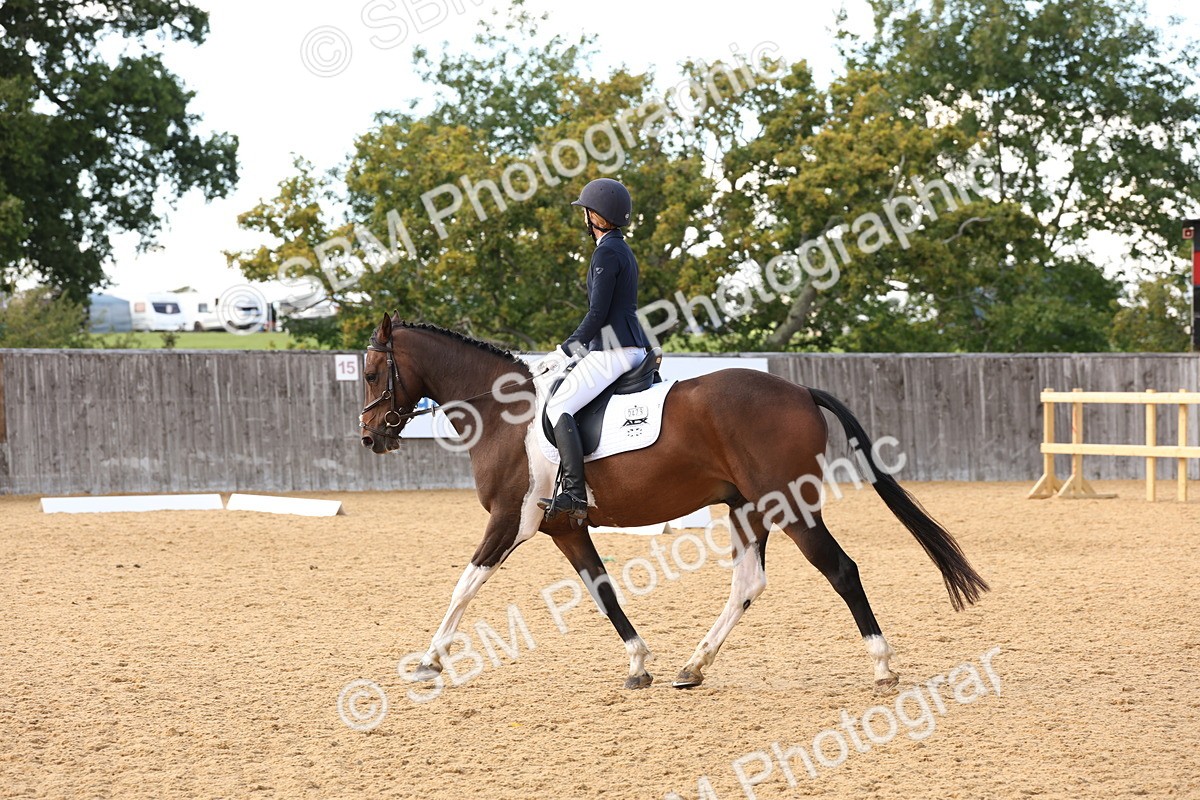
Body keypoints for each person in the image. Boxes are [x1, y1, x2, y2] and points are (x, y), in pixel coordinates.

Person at [537, 177, 652, 519]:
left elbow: (597, 314)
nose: (584, 217)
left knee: (558, 406)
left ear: (596, 216)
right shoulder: (622, 249)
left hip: (613, 350)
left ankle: (574, 493)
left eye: (586, 211)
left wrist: (565, 350)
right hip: (632, 345)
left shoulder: (606, 252)